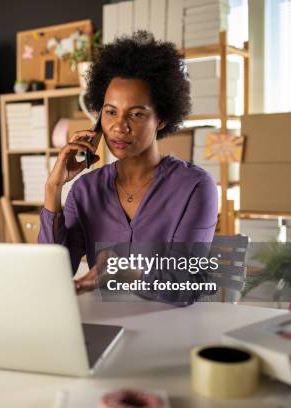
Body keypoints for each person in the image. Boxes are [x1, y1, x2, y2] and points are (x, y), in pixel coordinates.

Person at [38, 31, 218, 299]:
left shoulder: (194, 187)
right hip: (106, 324)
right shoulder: (85, 190)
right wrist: (53, 189)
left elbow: (186, 286)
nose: (119, 127)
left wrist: (126, 271)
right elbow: (52, 276)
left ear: (162, 119)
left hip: (172, 328)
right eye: (110, 112)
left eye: (136, 114)